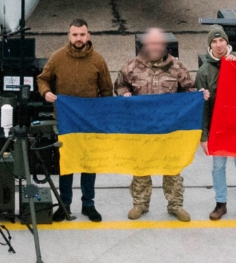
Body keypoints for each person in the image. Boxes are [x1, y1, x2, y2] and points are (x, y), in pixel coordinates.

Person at [114, 27, 196, 221]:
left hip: (169, 129)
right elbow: (119, 84)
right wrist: (123, 92)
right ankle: (140, 204)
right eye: (151, 43)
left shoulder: (177, 67)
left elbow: (188, 89)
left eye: (158, 43)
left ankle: (175, 205)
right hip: (142, 129)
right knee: (141, 167)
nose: (155, 47)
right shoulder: (131, 67)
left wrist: (199, 96)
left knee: (172, 167)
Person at [38, 18, 113, 221]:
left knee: (89, 164)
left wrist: (103, 118)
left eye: (82, 34)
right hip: (66, 121)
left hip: (90, 124)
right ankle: (65, 204)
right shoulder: (57, 58)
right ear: (69, 36)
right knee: (67, 164)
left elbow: (107, 91)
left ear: (88, 35)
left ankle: (88, 204)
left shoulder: (98, 60)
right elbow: (42, 79)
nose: (78, 38)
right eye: (74, 35)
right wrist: (46, 93)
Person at [194, 26, 236, 223]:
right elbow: (201, 106)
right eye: (214, 42)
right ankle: (220, 203)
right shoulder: (204, 71)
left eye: (222, 41)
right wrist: (204, 135)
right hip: (218, 128)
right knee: (218, 167)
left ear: (227, 42)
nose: (219, 45)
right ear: (210, 45)